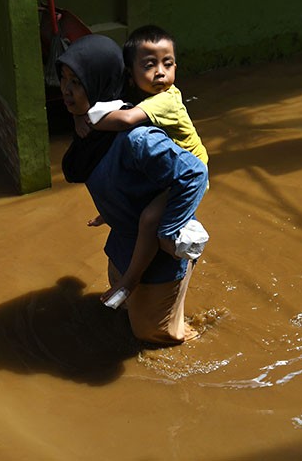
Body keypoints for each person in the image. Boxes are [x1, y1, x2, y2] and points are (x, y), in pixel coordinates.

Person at [57, 34, 208, 345]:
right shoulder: (95, 132)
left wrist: (169, 229)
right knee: (127, 318)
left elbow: (194, 172)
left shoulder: (137, 137)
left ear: (99, 81)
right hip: (125, 244)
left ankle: (199, 331)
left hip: (156, 257)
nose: (66, 90)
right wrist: (110, 207)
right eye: (64, 80)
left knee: (157, 336)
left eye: (77, 82)